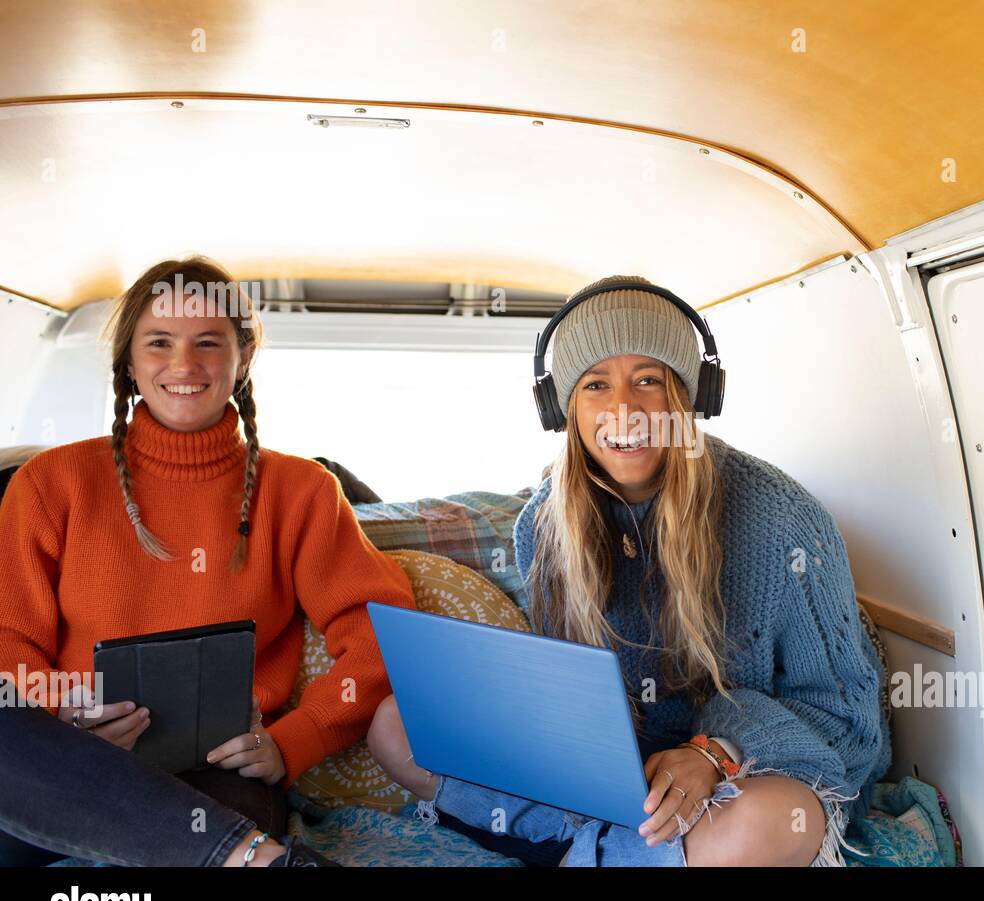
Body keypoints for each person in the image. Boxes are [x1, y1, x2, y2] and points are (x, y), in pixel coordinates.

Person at [367, 275, 890, 866]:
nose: (623, 409)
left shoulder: (785, 519)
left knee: (763, 826)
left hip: (741, 775)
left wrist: (716, 752)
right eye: (595, 384)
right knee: (397, 725)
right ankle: (614, 845)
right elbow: (569, 693)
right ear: (562, 408)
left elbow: (849, 722)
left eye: (648, 380)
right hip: (614, 781)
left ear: (692, 396)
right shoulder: (540, 526)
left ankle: (591, 848)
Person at [0, 256, 415, 866]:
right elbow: (11, 637)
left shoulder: (302, 491)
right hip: (66, 760)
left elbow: (383, 632)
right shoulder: (48, 483)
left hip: (219, 771)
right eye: (160, 342)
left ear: (242, 357)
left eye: (208, 343)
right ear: (130, 360)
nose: (184, 366)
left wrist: (291, 741)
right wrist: (62, 712)